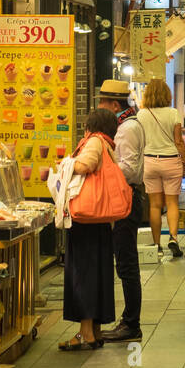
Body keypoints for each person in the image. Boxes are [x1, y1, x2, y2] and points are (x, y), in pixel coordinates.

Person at [59, 107, 122, 351]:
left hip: (86, 219)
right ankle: (94, 330)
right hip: (100, 222)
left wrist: (66, 164)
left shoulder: (95, 141)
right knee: (97, 273)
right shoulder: (107, 143)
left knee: (82, 274)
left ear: (91, 126)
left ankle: (85, 332)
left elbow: (85, 166)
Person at [101, 84, 146, 343]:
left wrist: (103, 169)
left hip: (126, 197)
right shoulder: (126, 124)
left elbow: (128, 169)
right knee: (124, 261)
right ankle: (128, 321)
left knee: (127, 263)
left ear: (115, 106)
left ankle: (131, 323)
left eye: (103, 103)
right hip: (124, 196)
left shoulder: (127, 128)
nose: (100, 108)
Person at [137, 79, 185, 259]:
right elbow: (179, 141)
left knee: (155, 205)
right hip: (171, 161)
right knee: (172, 202)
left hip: (149, 161)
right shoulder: (174, 113)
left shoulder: (141, 115)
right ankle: (173, 238)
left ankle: (157, 244)